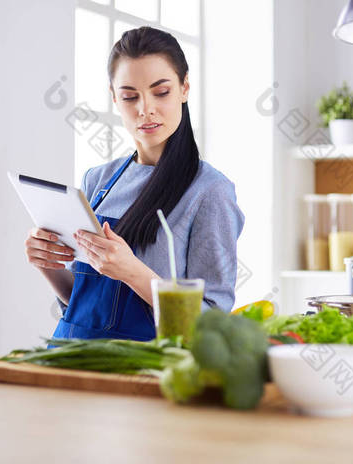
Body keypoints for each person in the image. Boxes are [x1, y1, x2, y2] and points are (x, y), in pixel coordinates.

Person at [24, 26, 244, 341]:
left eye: (161, 91)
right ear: (114, 98)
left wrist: (134, 273)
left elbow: (211, 327)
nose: (145, 109)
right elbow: (85, 305)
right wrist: (47, 263)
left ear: (184, 89)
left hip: (144, 371)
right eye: (130, 96)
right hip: (71, 359)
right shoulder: (98, 180)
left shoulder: (210, 192)